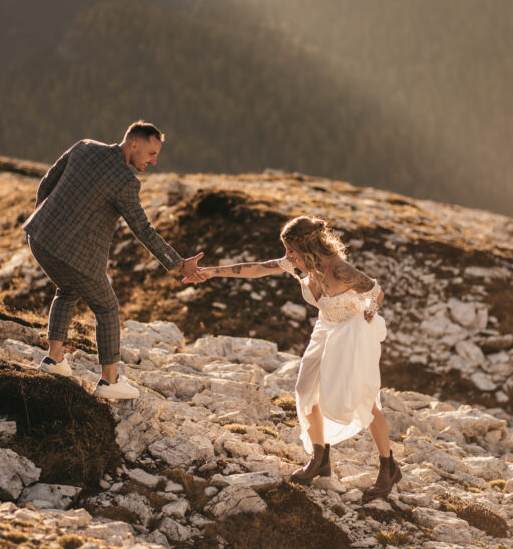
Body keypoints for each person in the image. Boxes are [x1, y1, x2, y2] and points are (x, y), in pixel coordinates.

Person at [188, 216, 401, 499]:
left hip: (351, 330)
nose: (288, 257)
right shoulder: (297, 264)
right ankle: (320, 458)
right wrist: (210, 272)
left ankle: (388, 468)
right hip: (326, 326)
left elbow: (376, 291)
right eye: (286, 250)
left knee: (362, 398)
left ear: (309, 248)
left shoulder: (339, 269)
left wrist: (368, 316)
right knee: (305, 391)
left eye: (291, 250)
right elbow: (255, 269)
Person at [22, 121, 206, 400]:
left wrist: (44, 220)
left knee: (67, 289)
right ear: (134, 144)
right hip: (75, 254)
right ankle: (109, 381)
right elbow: (143, 229)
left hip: (38, 238)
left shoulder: (84, 147)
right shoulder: (126, 182)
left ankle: (54, 359)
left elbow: (48, 181)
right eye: (151, 153)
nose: (154, 161)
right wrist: (179, 263)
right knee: (107, 308)